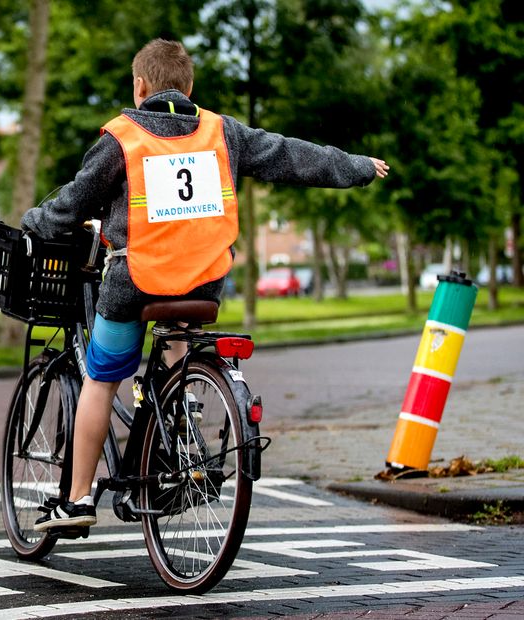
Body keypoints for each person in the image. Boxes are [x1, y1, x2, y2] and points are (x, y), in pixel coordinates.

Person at [21, 38, 389, 531]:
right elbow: (291, 155)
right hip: (204, 282)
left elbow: (72, 203)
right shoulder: (221, 132)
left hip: (136, 281)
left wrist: (35, 221)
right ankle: (184, 431)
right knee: (175, 339)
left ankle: (79, 500)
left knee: (103, 377)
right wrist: (358, 166)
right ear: (190, 87)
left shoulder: (123, 137)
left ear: (139, 86)